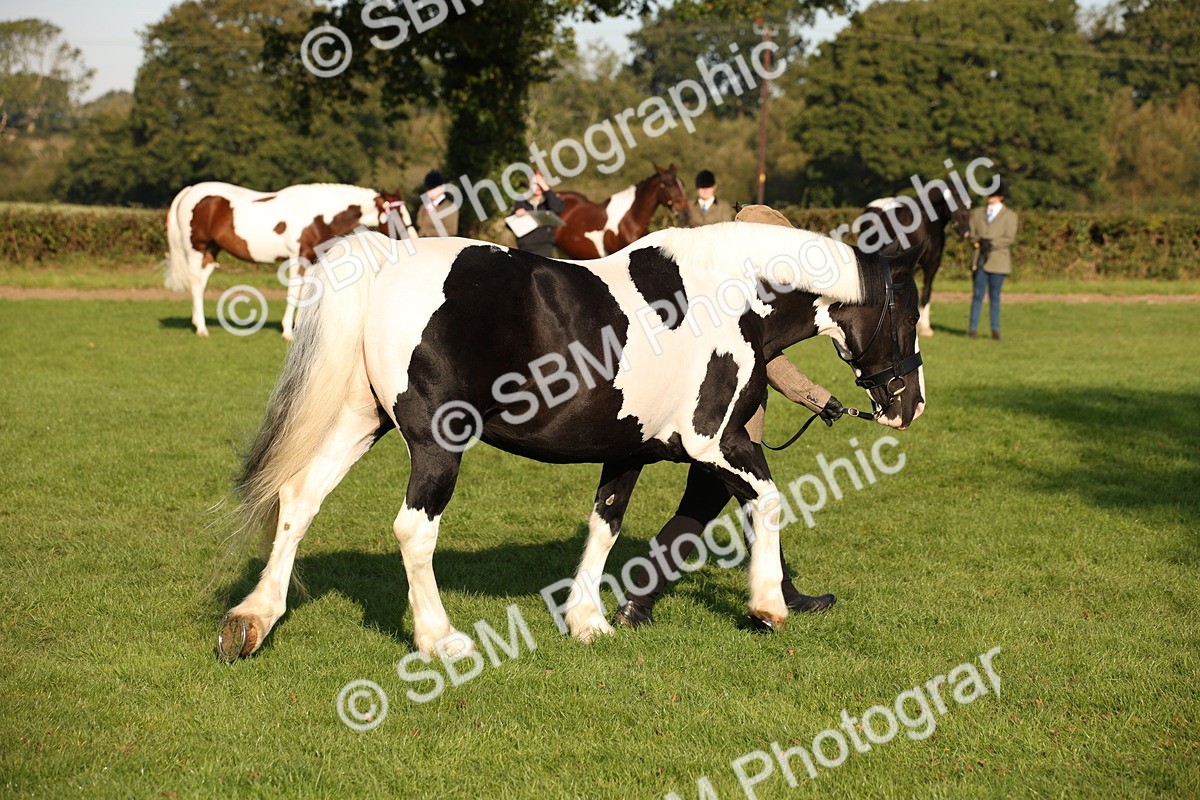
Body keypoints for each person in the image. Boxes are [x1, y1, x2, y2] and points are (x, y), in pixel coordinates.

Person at [612, 204, 845, 630]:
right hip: (727, 425)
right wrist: (814, 396)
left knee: (750, 506)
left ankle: (782, 591)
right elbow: (765, 358)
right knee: (708, 507)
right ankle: (639, 600)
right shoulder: (733, 289)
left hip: (721, 421)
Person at [967, 179, 1018, 340]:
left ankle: (995, 329)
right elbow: (972, 234)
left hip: (999, 261)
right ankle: (972, 329)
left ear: (1001, 196)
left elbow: (1009, 238)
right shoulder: (977, 213)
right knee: (977, 295)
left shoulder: (1010, 215)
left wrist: (992, 243)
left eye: (994, 193)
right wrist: (979, 241)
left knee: (995, 296)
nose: (990, 196)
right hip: (980, 259)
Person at [509, 171, 565, 257]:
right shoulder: (521, 202)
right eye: (535, 183)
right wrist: (516, 215)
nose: (538, 186)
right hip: (524, 248)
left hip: (545, 248)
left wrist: (546, 188)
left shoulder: (549, 201)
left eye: (541, 183)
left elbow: (558, 208)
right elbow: (508, 224)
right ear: (529, 184)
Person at [416, 170, 459, 237]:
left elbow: (451, 231)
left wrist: (427, 232)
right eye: (429, 190)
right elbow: (419, 223)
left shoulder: (450, 207)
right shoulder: (424, 206)